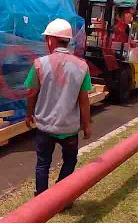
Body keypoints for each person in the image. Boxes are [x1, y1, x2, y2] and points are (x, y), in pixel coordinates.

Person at [24, 18, 93, 201]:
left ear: (51, 40)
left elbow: (31, 93)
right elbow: (84, 101)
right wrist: (86, 126)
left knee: (43, 163)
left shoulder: (39, 64)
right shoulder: (82, 66)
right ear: (67, 40)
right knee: (70, 161)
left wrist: (28, 114)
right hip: (69, 129)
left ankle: (41, 199)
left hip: (45, 127)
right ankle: (61, 198)